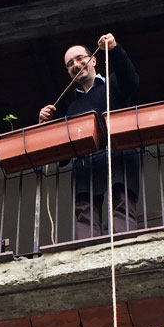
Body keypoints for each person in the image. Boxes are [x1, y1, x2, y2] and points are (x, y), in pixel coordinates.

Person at [38, 33, 140, 238]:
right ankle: (87, 250)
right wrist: (45, 126)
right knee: (85, 212)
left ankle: (125, 242)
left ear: (93, 59)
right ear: (68, 72)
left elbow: (131, 79)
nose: (75, 65)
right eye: (69, 64)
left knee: (122, 202)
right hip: (86, 165)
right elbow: (64, 156)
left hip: (118, 154)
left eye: (80, 58)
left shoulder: (113, 84)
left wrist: (114, 48)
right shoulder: (73, 108)